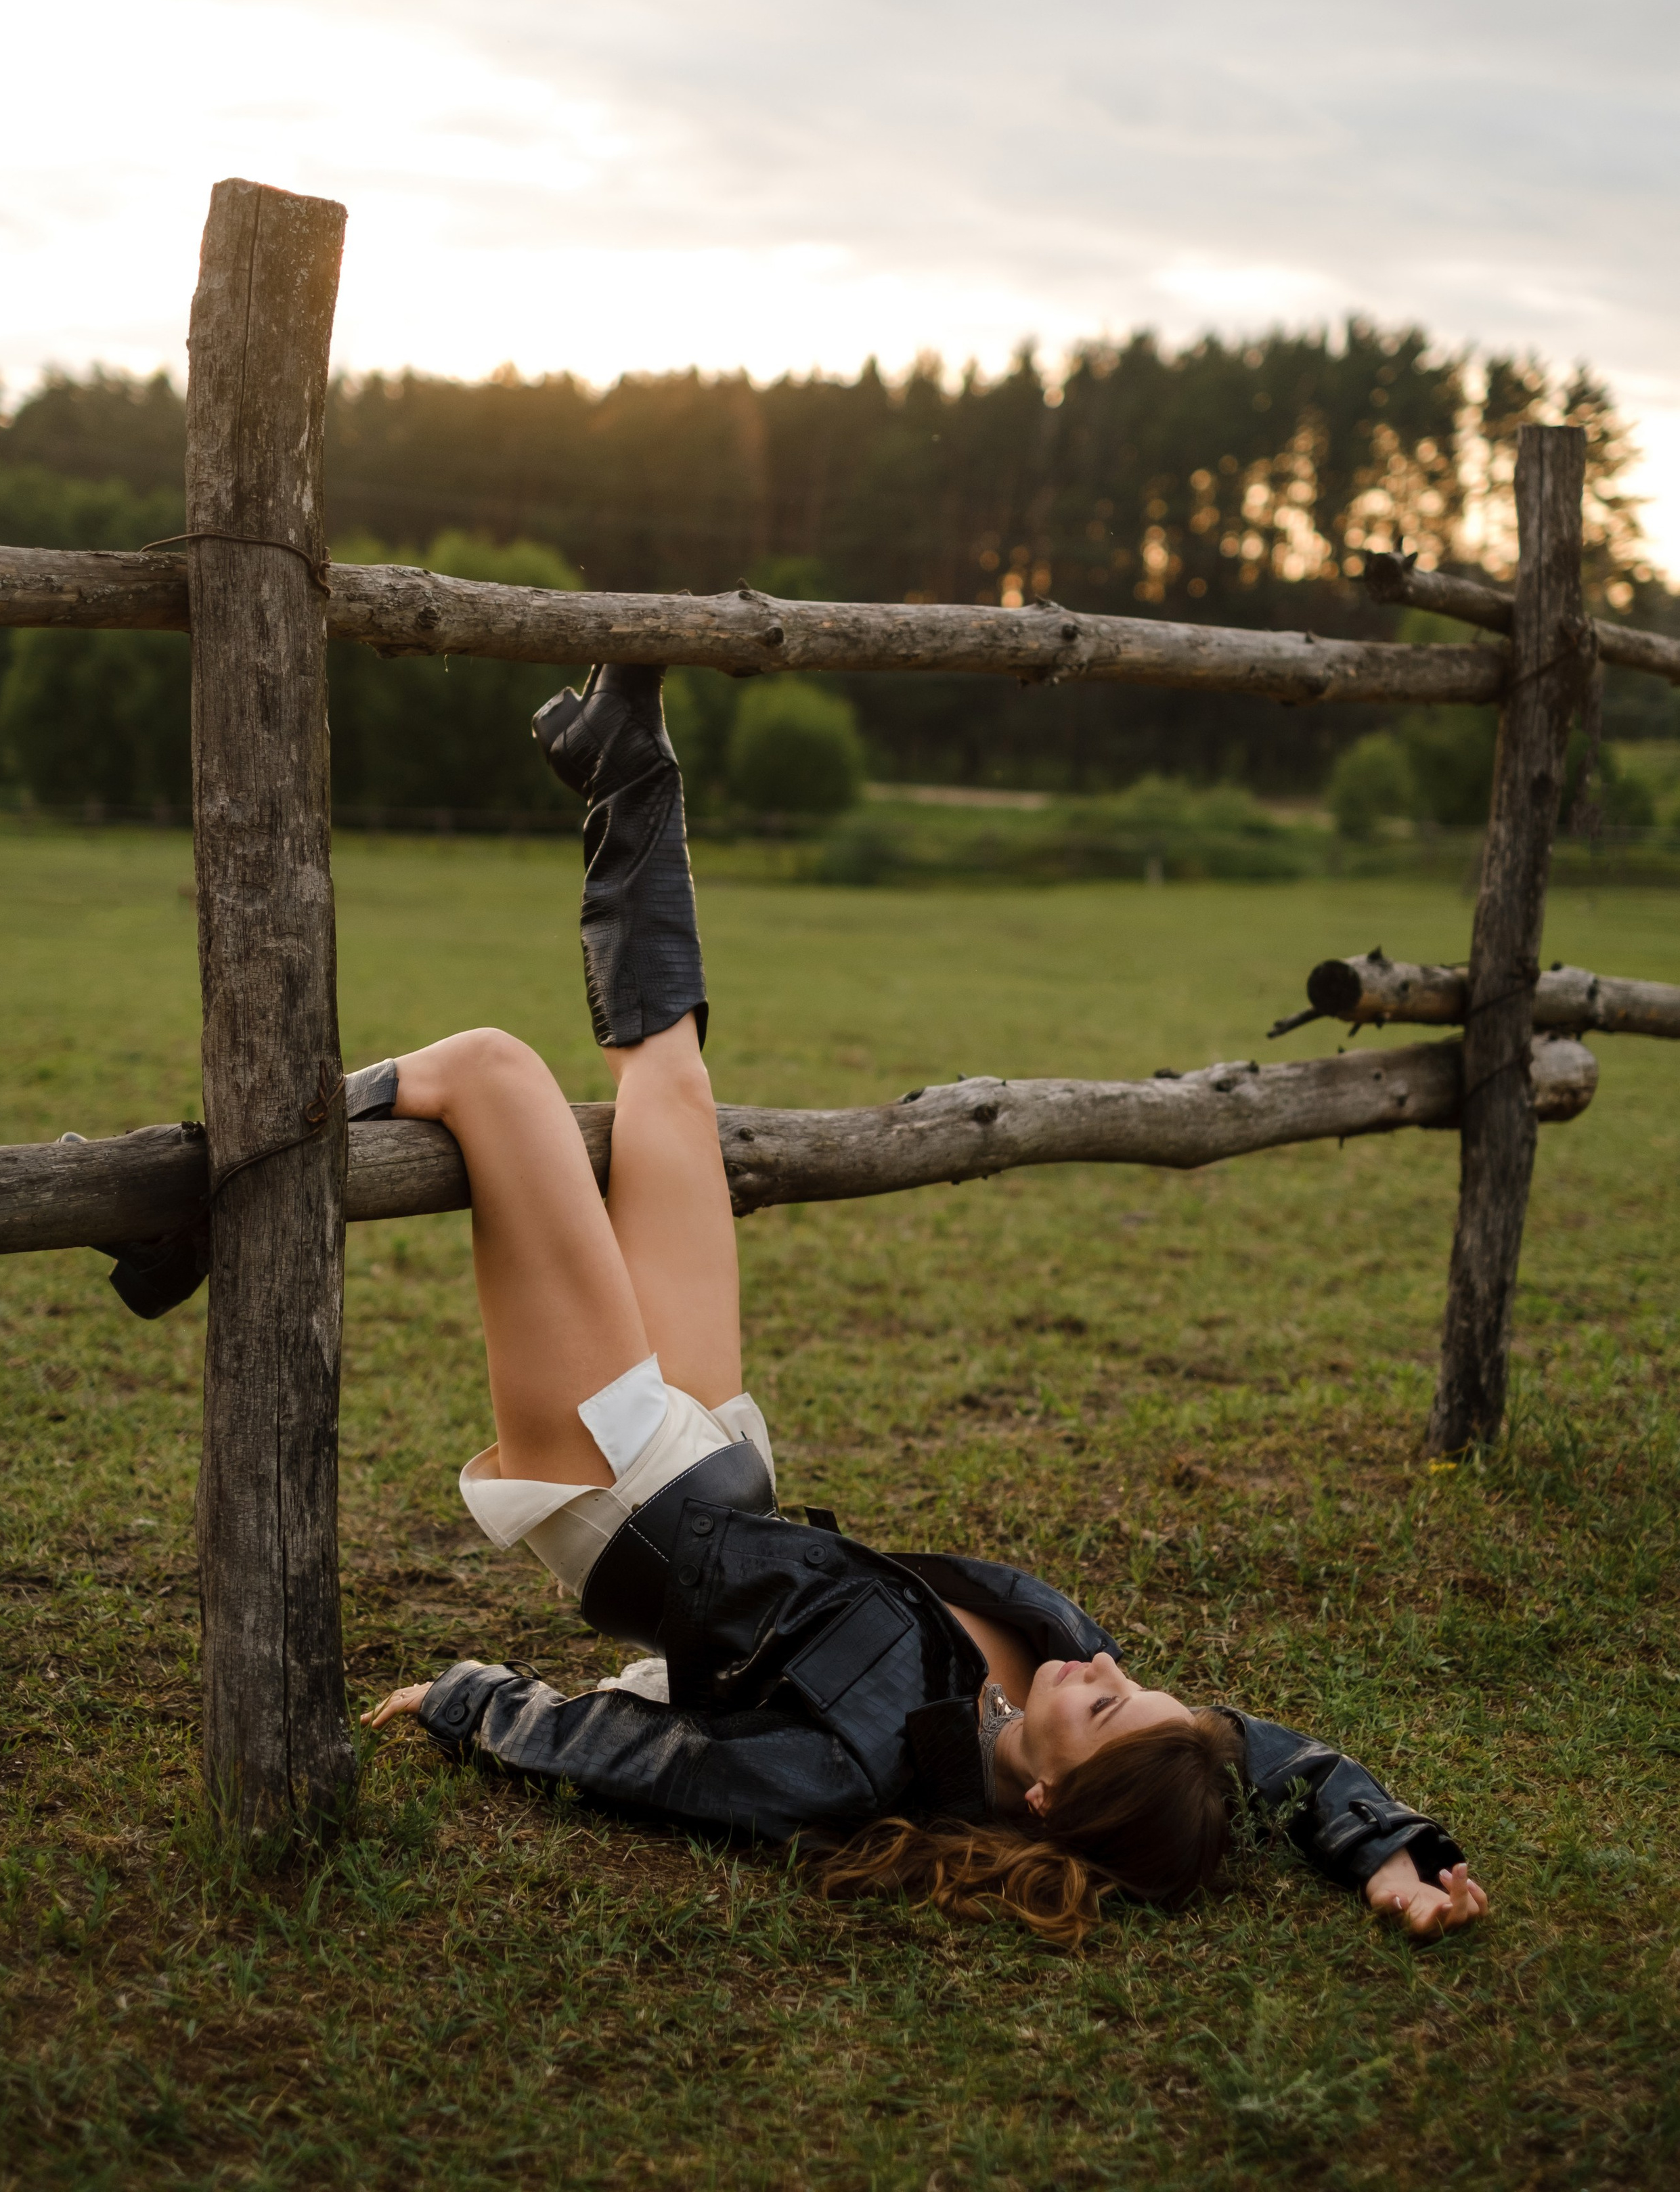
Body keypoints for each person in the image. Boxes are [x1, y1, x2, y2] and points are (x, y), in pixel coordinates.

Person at [359, 665, 1487, 1950]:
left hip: (632, 1504)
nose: (1113, 1669)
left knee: (495, 1077)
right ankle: (626, 766)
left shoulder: (856, 1774)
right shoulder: (1062, 1668)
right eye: (1145, 1686)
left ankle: (220, 1167)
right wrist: (1392, 1844)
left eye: (1113, 1707)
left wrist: (470, 1703)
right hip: (728, 1466)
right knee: (670, 1089)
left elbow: (647, 1765)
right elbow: (1254, 1754)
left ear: (1050, 1794)